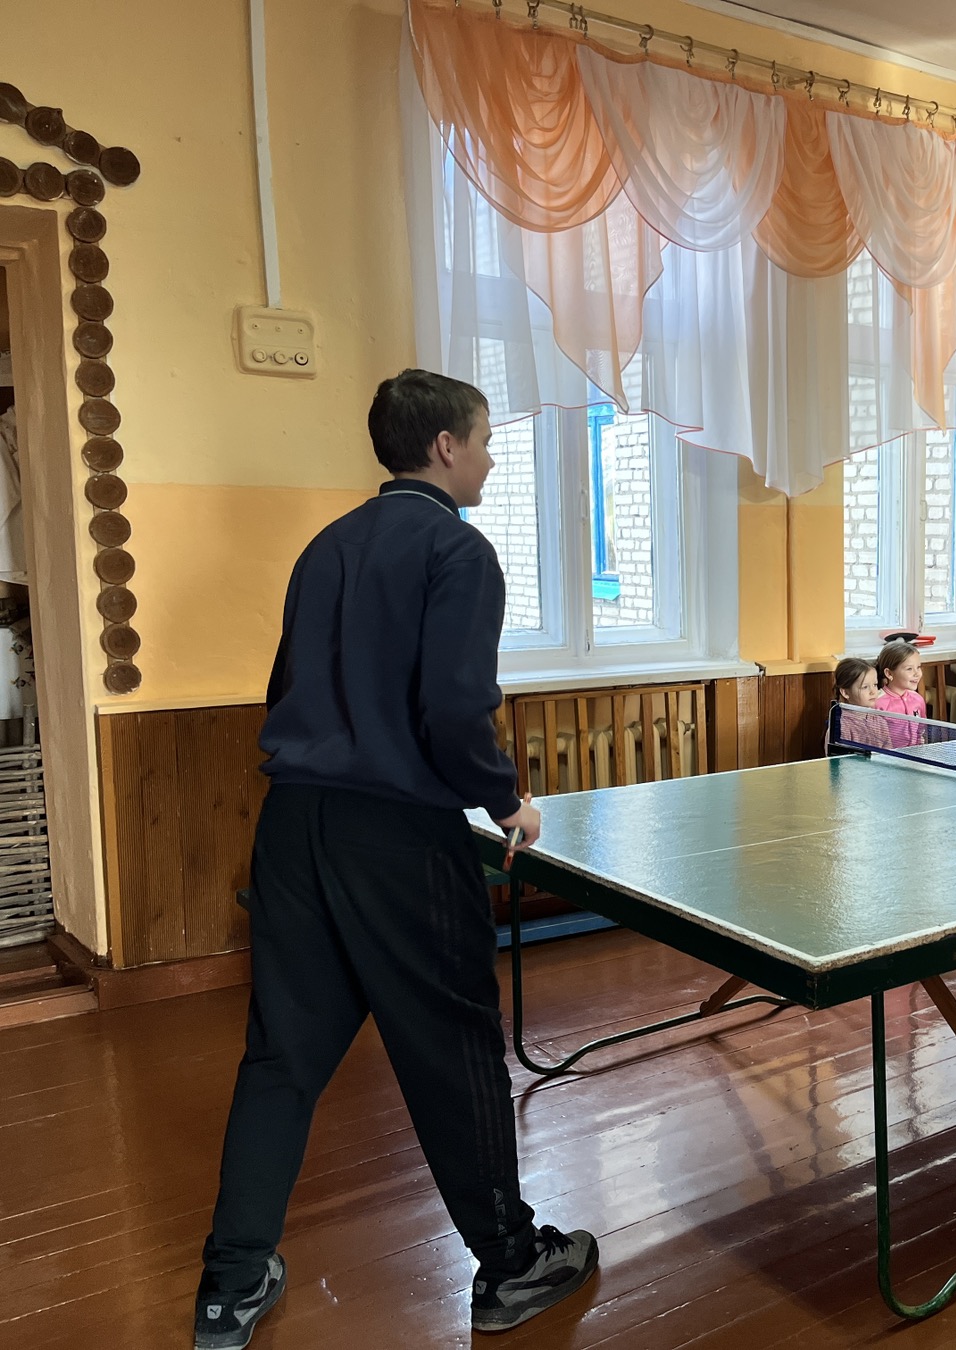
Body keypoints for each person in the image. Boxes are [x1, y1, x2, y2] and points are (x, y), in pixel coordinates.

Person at [193, 371, 597, 1350]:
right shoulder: (459, 550)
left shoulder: (326, 546)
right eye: (486, 440)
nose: (491, 459)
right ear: (447, 446)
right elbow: (454, 709)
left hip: (294, 827)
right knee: (455, 1052)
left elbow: (288, 687)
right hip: (400, 839)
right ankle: (511, 1264)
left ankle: (230, 1286)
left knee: (281, 1057)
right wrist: (506, 799)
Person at [827, 656, 880, 753]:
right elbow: (837, 758)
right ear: (845, 693)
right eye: (865, 687)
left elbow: (889, 752)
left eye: (875, 685)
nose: (873, 692)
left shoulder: (879, 719)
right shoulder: (840, 726)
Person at [872, 640, 927, 718]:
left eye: (918, 667)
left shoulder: (918, 699)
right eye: (909, 669)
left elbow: (923, 725)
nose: (917, 673)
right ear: (889, 673)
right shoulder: (877, 704)